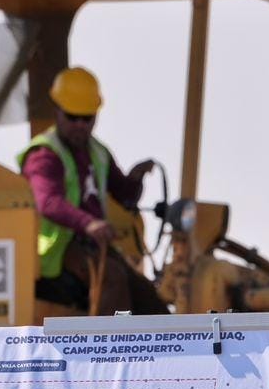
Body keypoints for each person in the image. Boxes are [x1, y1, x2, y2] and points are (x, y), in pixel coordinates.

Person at [18, 66, 167, 315]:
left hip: (94, 246)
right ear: (57, 111)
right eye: (72, 117)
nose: (80, 125)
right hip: (59, 250)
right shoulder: (44, 155)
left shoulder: (97, 152)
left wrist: (136, 177)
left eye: (87, 118)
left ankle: (171, 339)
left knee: (147, 296)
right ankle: (104, 341)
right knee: (112, 278)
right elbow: (48, 202)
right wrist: (88, 224)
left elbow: (125, 196)